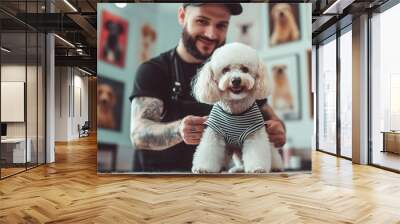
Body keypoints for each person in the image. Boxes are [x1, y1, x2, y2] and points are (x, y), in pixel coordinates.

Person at [129, 3, 286, 172]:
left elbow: (274, 120)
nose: (211, 34)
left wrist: (278, 131)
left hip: (216, 185)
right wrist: (178, 130)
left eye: (221, 25)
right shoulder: (153, 70)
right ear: (182, 16)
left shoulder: (241, 73)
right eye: (202, 21)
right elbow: (137, 134)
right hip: (158, 183)